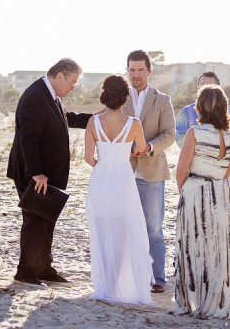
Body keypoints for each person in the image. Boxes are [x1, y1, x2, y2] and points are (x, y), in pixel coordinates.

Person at [7, 58, 92, 289]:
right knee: (35, 221)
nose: (73, 86)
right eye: (72, 81)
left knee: (46, 220)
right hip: (34, 174)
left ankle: (44, 268)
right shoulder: (36, 95)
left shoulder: (50, 94)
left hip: (47, 174)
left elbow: (65, 118)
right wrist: (36, 172)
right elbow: (28, 136)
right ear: (59, 76)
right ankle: (25, 272)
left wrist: (96, 118)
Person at [84, 74, 154, 304]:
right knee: (123, 233)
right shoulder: (134, 123)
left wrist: (103, 167)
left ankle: (104, 285)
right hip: (123, 181)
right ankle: (116, 285)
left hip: (100, 182)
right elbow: (142, 148)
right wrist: (128, 153)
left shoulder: (93, 122)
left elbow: (87, 158)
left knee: (101, 233)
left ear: (104, 95)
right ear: (125, 97)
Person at [174, 84, 230, 319]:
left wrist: (186, 191)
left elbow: (181, 171)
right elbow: (227, 172)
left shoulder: (195, 133)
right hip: (220, 194)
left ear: (199, 107)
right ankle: (218, 303)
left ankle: (195, 302)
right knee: (217, 249)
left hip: (195, 192)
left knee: (194, 248)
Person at [123, 50, 175, 293]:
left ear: (149, 71)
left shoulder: (162, 100)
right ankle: (131, 276)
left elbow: (169, 135)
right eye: (132, 70)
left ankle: (157, 279)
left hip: (152, 172)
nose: (136, 74)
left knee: (153, 228)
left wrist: (148, 147)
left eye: (140, 69)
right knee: (126, 225)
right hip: (123, 172)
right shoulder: (120, 98)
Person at [175, 71, 230, 148]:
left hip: (225, 159)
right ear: (197, 87)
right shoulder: (185, 112)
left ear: (218, 88)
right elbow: (180, 139)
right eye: (202, 85)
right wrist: (206, 151)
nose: (205, 88)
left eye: (210, 85)